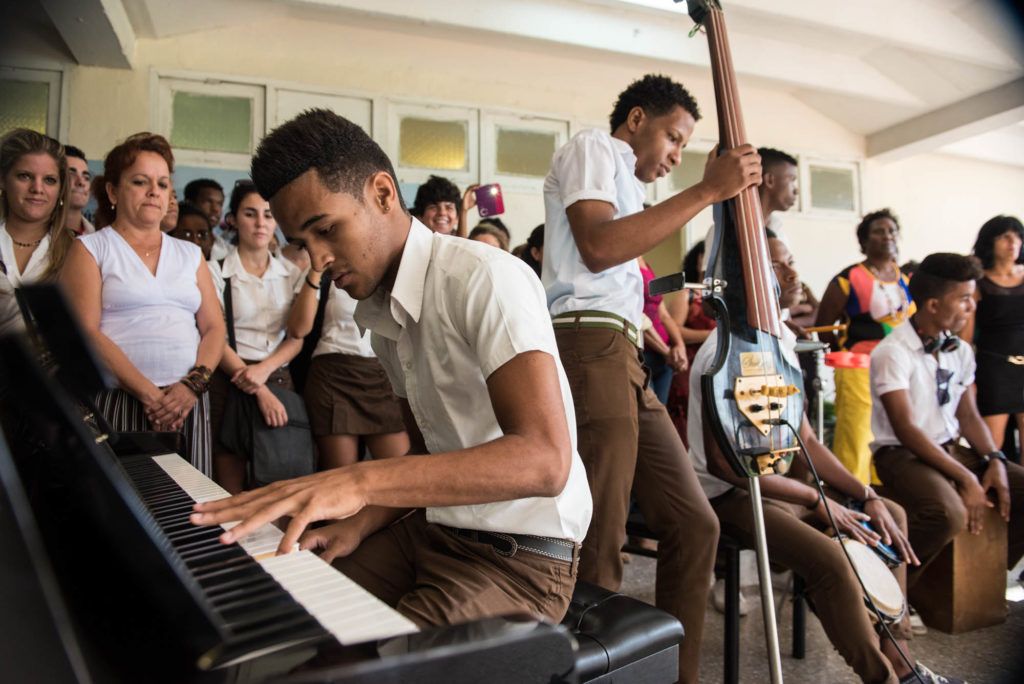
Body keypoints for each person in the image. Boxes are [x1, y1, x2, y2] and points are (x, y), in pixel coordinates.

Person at [191, 109, 591, 629]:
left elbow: (544, 460)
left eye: (326, 229)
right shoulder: (381, 316)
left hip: (517, 557)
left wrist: (362, 481)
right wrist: (359, 522)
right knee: (285, 607)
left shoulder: (486, 278)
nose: (318, 259)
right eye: (303, 243)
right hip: (431, 530)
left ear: (382, 193)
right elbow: (430, 451)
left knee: (375, 665)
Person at [542, 73, 760, 682]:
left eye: (685, 147)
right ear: (636, 119)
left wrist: (696, 289)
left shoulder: (631, 193)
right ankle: (584, 672)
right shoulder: (595, 147)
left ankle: (677, 675)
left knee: (695, 523)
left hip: (624, 352)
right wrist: (705, 191)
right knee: (602, 538)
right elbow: (598, 248)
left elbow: (628, 275)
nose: (675, 155)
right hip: (588, 344)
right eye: (674, 137)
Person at [689, 233, 959, 684]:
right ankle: (884, 676)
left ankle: (903, 659)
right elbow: (731, 469)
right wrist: (818, 502)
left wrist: (866, 494)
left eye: (792, 261)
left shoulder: (779, 342)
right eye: (778, 265)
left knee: (888, 515)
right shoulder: (723, 352)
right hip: (731, 495)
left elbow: (808, 442)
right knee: (829, 559)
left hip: (783, 485)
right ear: (745, 276)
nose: (794, 274)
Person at [62, 133, 225, 477]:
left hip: (188, 403)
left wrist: (191, 387)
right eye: (140, 181)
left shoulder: (190, 253)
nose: (154, 191)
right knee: (128, 513)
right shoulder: (91, 249)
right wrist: (150, 396)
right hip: (122, 401)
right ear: (112, 191)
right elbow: (85, 332)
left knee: (190, 510)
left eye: (163, 184)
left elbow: (213, 328)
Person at [871, 253, 1024, 585]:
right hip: (901, 455)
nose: (972, 306)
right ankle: (889, 589)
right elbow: (906, 429)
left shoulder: (961, 350)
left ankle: (983, 579)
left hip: (950, 447)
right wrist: (967, 479)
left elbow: (967, 413)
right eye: (965, 298)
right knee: (947, 513)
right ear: (934, 305)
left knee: (1018, 484)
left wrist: (994, 458)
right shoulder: (892, 352)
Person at [207, 180, 305, 493]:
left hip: (277, 376)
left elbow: (296, 336)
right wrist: (256, 386)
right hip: (229, 377)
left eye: (267, 214)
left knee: (278, 481)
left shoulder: (290, 274)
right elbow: (214, 337)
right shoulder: (214, 270)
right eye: (250, 214)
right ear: (233, 219)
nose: (260, 223)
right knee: (229, 484)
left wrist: (263, 374)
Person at [815, 209, 915, 484]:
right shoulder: (848, 279)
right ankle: (852, 499)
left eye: (892, 231)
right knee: (857, 436)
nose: (887, 237)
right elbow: (824, 328)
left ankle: (886, 497)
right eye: (879, 231)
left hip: (899, 370)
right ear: (864, 241)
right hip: (859, 369)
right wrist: (846, 359)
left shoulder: (904, 279)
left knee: (892, 434)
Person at [287, 262, 409, 470]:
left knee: (401, 470)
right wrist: (316, 271)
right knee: (340, 474)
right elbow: (298, 329)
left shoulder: (387, 268)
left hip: (380, 373)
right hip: (334, 374)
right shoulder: (324, 273)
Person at [962, 216, 1024, 463]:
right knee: (991, 448)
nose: (1012, 242)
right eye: (1004, 236)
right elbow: (965, 338)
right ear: (990, 242)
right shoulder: (978, 282)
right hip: (994, 369)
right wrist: (968, 379)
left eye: (1017, 236)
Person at [0, 129, 74, 289]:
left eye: (49, 180)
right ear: (3, 180)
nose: (37, 188)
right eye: (25, 176)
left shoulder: (78, 252)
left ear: (61, 189)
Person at [666, 239, 717, 448]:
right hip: (689, 366)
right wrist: (711, 335)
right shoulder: (686, 294)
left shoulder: (721, 296)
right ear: (699, 260)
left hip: (714, 369)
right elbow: (673, 329)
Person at [637, 255, 688, 404]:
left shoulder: (646, 264)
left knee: (662, 410)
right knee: (652, 415)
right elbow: (636, 318)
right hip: (644, 354)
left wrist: (680, 345)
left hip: (664, 359)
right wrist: (666, 351)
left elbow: (664, 315)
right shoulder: (624, 263)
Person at [756, 147, 799, 238]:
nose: (796, 191)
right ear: (769, 180)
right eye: (791, 180)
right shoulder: (725, 223)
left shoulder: (777, 228)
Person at [184, 178, 228, 260]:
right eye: (208, 202)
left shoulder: (226, 249)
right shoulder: (173, 240)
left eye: (220, 204)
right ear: (189, 203)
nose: (216, 209)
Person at [63, 145, 95, 236]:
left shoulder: (94, 235)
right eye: (71, 174)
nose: (81, 182)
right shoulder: (36, 233)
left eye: (86, 177)